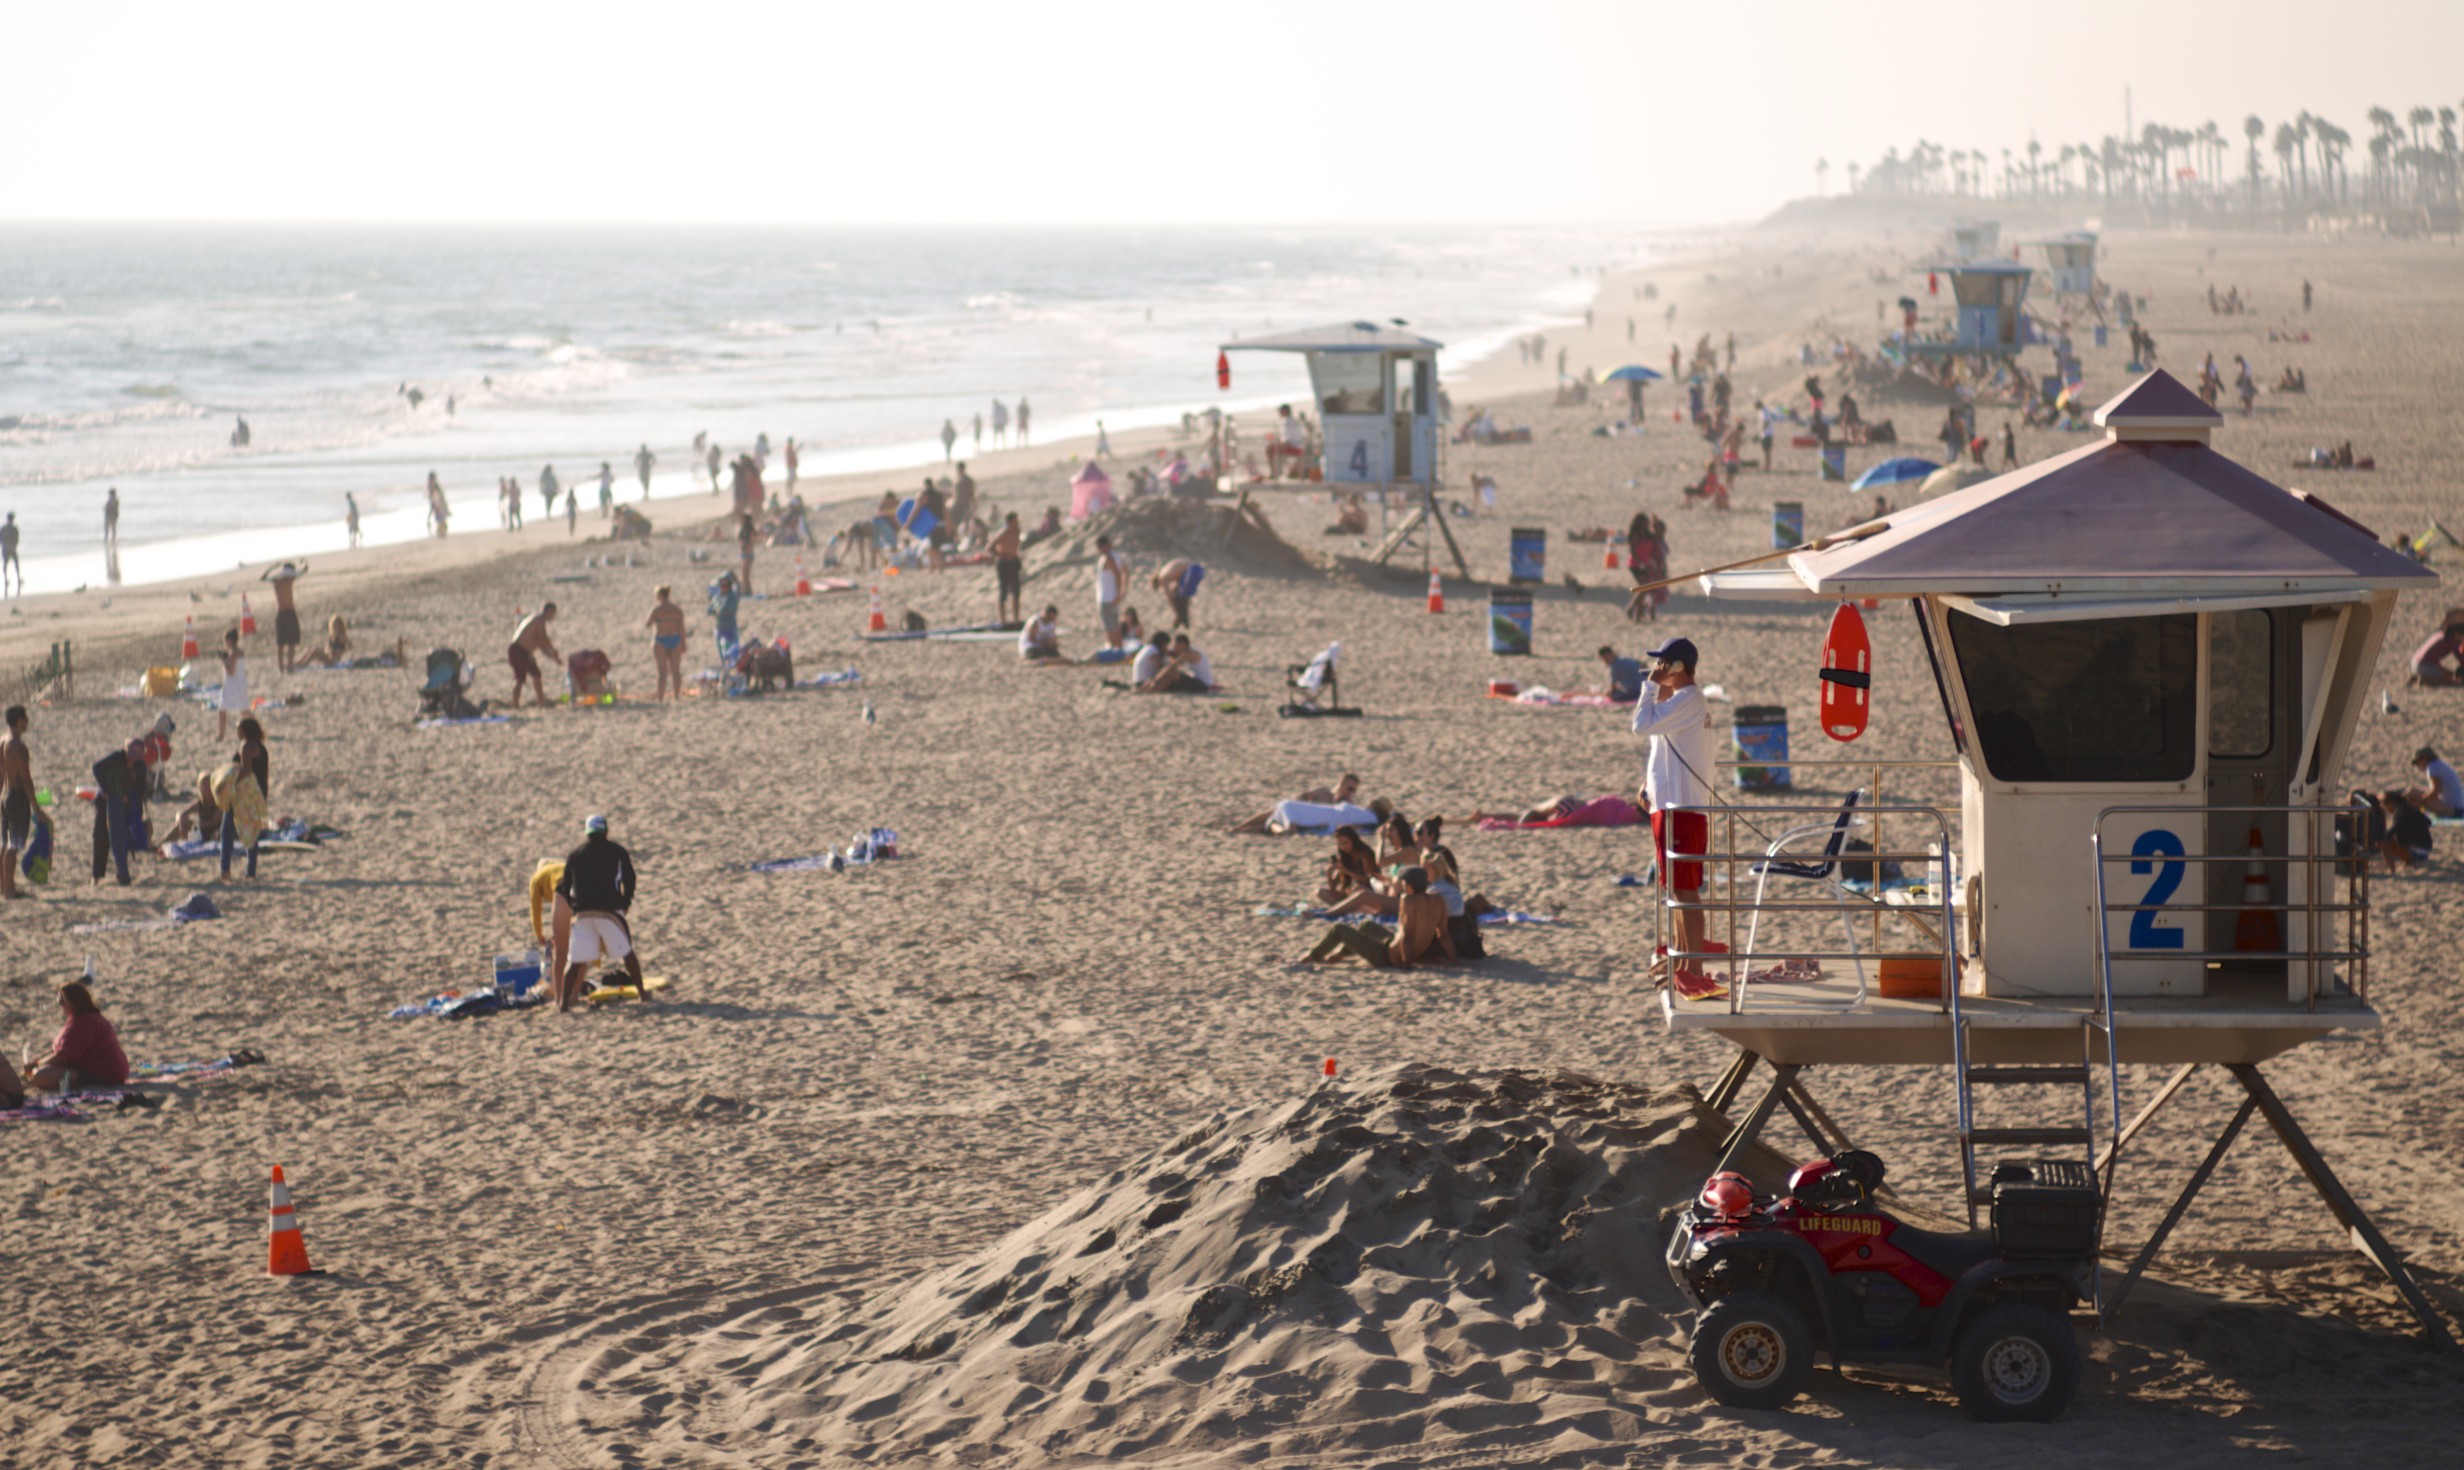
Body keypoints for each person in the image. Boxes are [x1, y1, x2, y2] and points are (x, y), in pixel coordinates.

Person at [1631, 636, 1719, 997]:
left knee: (1685, 890)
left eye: (1665, 663)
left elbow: (1640, 725)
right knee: (1677, 888)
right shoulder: (1682, 702)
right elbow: (1663, 741)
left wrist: (1651, 685)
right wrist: (1648, 785)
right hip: (1671, 803)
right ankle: (1684, 961)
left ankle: (1693, 966)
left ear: (1679, 667)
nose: (1658, 669)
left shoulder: (1689, 699)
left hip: (1681, 806)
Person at [554, 814, 646, 1013]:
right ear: (606, 831)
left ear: (587, 833)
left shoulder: (575, 854)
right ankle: (642, 994)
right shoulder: (617, 851)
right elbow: (629, 879)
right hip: (608, 911)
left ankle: (563, 1004)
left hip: (582, 913)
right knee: (627, 953)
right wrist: (625, 902)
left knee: (576, 961)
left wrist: (573, 905)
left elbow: (565, 885)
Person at [1303, 867, 1458, 969]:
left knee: (1338, 930)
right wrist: (1455, 961)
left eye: (1403, 883)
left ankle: (1313, 956)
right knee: (1366, 925)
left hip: (1386, 957)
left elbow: (1407, 936)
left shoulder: (1408, 900)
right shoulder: (1438, 900)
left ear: (1409, 887)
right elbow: (1444, 935)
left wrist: (1406, 965)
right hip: (1396, 946)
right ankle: (1342, 954)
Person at [9, 982, 129, 1099]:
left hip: (103, 1074)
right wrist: (37, 1062)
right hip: (98, 1070)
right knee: (40, 1072)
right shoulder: (80, 1019)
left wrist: (36, 1066)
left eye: (61, 1002)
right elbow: (57, 1049)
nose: (60, 1006)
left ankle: (78, 1081)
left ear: (72, 1003)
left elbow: (63, 1056)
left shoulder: (85, 1022)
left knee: (41, 1076)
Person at [89, 737, 147, 887]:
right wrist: (107, 790)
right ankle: (96, 876)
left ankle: (122, 874)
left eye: (137, 754)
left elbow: (140, 788)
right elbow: (97, 768)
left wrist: (132, 803)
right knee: (101, 838)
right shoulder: (116, 758)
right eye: (132, 753)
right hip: (106, 802)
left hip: (127, 805)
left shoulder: (140, 766)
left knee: (122, 839)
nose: (134, 757)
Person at [1229, 773, 1365, 835]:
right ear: (1341, 783)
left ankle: (1241, 831)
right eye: (1350, 789)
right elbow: (1302, 797)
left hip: (1304, 825)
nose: (1351, 793)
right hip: (1298, 816)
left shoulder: (1346, 804)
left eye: (1353, 791)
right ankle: (1239, 828)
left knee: (1266, 827)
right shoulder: (1323, 792)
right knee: (1272, 813)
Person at [219, 716, 269, 881]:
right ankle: (250, 872)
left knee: (227, 831)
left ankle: (226, 870)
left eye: (238, 728)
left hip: (242, 796)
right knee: (251, 832)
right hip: (254, 796)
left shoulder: (247, 746)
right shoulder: (258, 746)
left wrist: (231, 784)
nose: (236, 731)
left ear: (245, 730)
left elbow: (246, 770)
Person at [0, 705, 30, 900]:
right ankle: (9, 890)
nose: (27, 721)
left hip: (5, 795)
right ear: (19, 721)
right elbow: (26, 779)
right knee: (14, 845)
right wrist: (35, 806)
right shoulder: (17, 746)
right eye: (25, 718)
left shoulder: (3, 740)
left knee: (3, 844)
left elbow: (1, 774)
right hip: (17, 796)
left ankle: (4, 886)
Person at [507, 604, 560, 709]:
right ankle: (540, 703)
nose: (553, 616)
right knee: (533, 675)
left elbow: (541, 645)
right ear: (548, 611)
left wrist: (553, 657)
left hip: (518, 651)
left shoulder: (535, 619)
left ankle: (517, 704)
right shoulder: (539, 620)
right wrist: (553, 652)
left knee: (522, 678)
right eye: (553, 613)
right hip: (520, 651)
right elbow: (543, 638)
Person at [261, 561, 307, 675]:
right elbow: (303, 571)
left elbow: (263, 578)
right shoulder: (287, 580)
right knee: (288, 643)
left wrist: (272, 568)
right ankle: (287, 667)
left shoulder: (277, 581)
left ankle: (283, 668)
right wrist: (303, 564)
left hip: (282, 613)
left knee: (283, 644)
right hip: (288, 612)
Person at [2376, 789, 2433, 872]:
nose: (2386, 809)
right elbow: (2428, 821)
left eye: (2385, 805)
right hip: (2426, 850)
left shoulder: (2400, 812)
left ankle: (2394, 866)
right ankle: (2407, 859)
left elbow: (2393, 831)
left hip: (2417, 852)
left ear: (2391, 803)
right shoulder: (2409, 808)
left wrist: (2379, 840)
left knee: (2384, 843)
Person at [647, 585, 687, 702]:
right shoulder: (677, 610)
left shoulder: (656, 609)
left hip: (660, 639)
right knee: (675, 671)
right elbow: (682, 629)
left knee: (662, 672)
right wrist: (683, 643)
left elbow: (648, 624)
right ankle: (676, 696)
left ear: (659, 595)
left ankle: (660, 698)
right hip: (675, 639)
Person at [2407, 747, 2464, 818]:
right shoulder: (2439, 764)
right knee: (2413, 791)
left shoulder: (2432, 768)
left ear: (2424, 759)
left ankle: (2412, 819)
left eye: (2417, 762)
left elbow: (2435, 791)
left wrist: (2422, 800)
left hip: (2455, 810)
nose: (2417, 766)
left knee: (2413, 799)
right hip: (2458, 807)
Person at [991, 511, 1024, 625]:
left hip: (1013, 562)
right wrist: (1002, 554)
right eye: (1015, 520)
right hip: (1004, 563)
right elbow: (990, 547)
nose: (1017, 522)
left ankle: (1016, 618)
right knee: (1003, 591)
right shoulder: (1003, 533)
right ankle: (1003, 620)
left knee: (1016, 591)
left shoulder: (1017, 531)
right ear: (1010, 522)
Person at [215, 627, 248, 741]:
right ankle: (256, 729)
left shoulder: (234, 653)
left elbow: (231, 671)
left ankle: (221, 735)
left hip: (233, 686)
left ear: (229, 641)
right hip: (239, 684)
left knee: (223, 710)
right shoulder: (240, 651)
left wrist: (224, 661)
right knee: (244, 711)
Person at [1094, 534, 1126, 648]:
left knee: (1110, 625)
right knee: (1113, 624)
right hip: (1110, 595)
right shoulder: (1115, 556)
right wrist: (1122, 591)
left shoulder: (1109, 558)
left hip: (1107, 596)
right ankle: (1117, 646)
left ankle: (1115, 647)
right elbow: (1125, 572)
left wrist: (1119, 593)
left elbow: (1118, 574)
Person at [1152, 558, 1202, 629]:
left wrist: (1175, 612)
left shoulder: (1163, 577)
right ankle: (1183, 619)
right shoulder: (1166, 570)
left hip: (1192, 571)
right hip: (1198, 570)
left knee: (1179, 597)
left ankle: (1181, 619)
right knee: (1181, 596)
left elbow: (1169, 597)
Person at [708, 572, 741, 657]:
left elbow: (725, 610)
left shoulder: (732, 597)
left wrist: (716, 610)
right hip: (719, 629)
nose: (723, 587)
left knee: (732, 653)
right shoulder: (717, 597)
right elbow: (710, 609)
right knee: (722, 654)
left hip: (730, 629)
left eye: (725, 584)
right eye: (721, 584)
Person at [737, 512, 759, 592]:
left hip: (747, 554)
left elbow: (749, 541)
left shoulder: (748, 530)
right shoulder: (745, 529)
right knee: (744, 575)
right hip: (745, 554)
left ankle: (747, 590)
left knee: (745, 575)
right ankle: (746, 589)